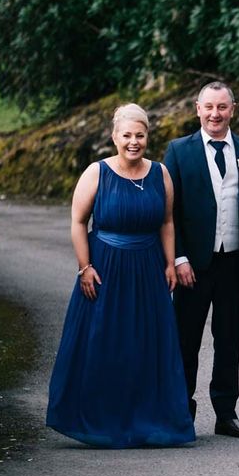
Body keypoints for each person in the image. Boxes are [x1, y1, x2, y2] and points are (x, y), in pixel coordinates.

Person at [46, 104, 195, 448]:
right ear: (114, 137)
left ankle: (148, 421)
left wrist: (170, 263)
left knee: (145, 345)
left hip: (147, 269)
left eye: (139, 135)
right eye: (126, 135)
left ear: (147, 137)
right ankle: (100, 421)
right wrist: (85, 266)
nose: (133, 142)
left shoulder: (160, 173)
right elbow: (78, 222)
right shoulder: (96, 173)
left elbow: (167, 222)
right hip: (106, 268)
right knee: (105, 343)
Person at [164, 82, 239, 438]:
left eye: (222, 107)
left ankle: (226, 413)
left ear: (233, 109)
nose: (215, 114)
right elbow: (170, 212)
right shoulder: (178, 151)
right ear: (197, 108)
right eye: (209, 107)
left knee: (229, 338)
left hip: (234, 261)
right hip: (192, 263)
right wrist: (178, 257)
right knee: (186, 340)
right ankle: (181, 410)